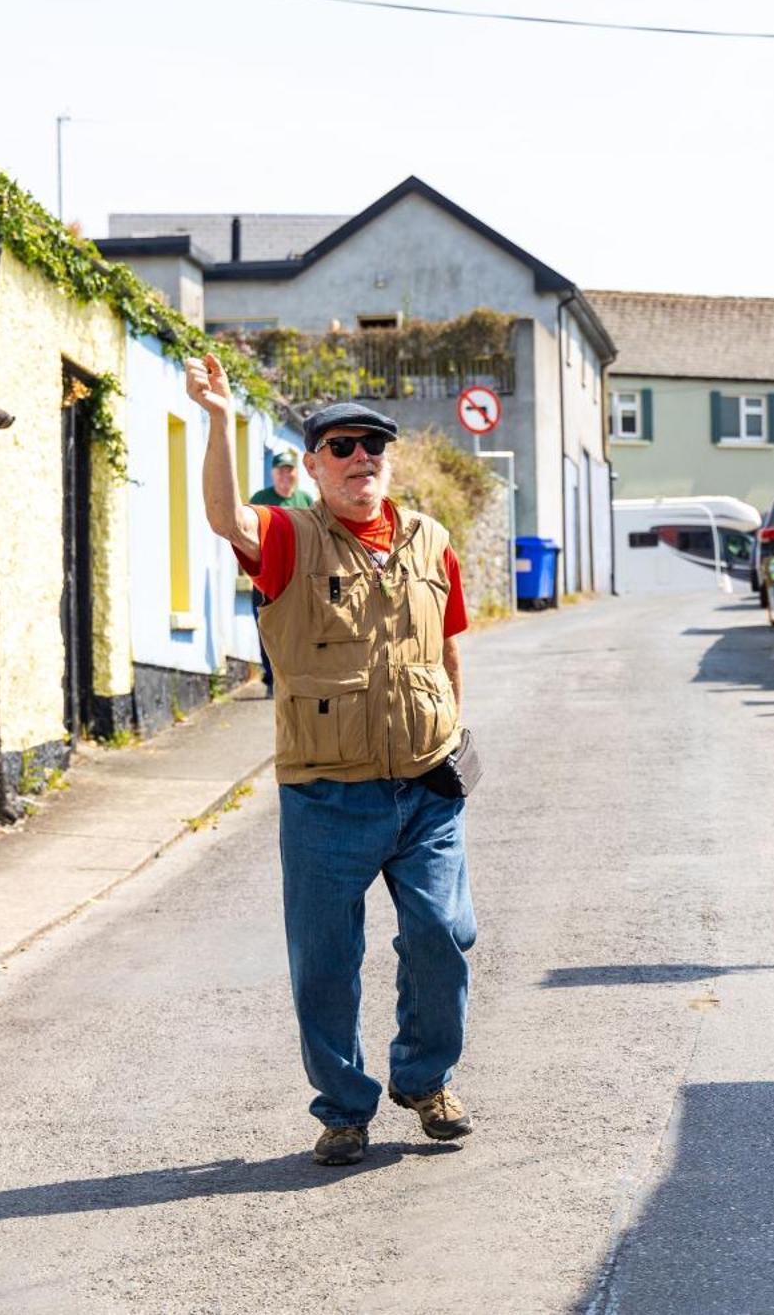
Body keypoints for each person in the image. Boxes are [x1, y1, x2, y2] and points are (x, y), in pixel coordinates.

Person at [187, 356, 476, 1167]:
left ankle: (425, 1078)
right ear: (311, 465)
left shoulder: (432, 541)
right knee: (325, 962)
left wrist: (458, 735)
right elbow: (224, 516)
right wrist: (215, 419)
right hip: (324, 793)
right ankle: (345, 1107)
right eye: (341, 446)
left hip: (425, 784)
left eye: (374, 446)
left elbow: (449, 648)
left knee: (444, 934)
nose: (361, 458)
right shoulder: (290, 537)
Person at [245, 450, 314, 697]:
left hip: (297, 576)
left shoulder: (306, 501)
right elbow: (246, 535)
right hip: (265, 577)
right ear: (273, 473)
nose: (285, 475)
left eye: (289, 469)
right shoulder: (260, 498)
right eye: (280, 470)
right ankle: (273, 680)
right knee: (267, 628)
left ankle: (297, 677)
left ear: (296, 472)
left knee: (299, 627)